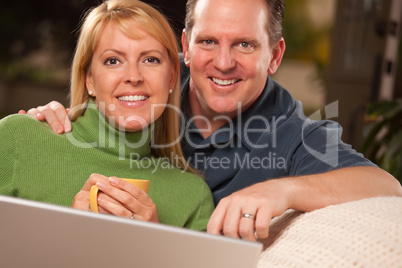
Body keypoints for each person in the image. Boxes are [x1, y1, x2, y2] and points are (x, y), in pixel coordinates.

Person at [20, 0, 402, 242]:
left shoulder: (292, 132)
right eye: (208, 42)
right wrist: (53, 123)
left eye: (245, 44)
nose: (222, 62)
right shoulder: (150, 89)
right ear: (185, 47)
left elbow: (386, 186)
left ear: (274, 54)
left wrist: (278, 191)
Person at [0, 0, 215, 231]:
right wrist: (64, 233)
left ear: (172, 77)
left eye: (150, 59)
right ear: (89, 79)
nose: (134, 76)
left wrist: (154, 244)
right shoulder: (17, 139)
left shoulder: (194, 197)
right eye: (113, 60)